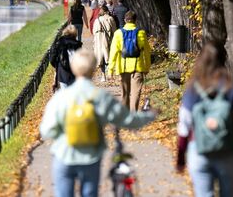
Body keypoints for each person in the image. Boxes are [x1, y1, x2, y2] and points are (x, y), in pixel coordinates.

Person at [40, 49, 156, 197]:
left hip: (64, 155)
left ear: (73, 68)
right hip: (91, 157)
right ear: (93, 69)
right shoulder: (100, 97)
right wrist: (149, 116)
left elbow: (46, 131)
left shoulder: (61, 97)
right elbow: (128, 120)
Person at [175, 42, 233, 197]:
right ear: (224, 59)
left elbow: (184, 127)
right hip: (228, 150)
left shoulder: (193, 88)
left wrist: (180, 159)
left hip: (199, 150)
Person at [107, 11, 151, 111]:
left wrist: (110, 70)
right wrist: (147, 67)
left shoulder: (118, 33)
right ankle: (133, 115)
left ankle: (125, 117)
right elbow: (147, 52)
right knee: (136, 93)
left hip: (123, 68)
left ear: (125, 20)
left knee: (125, 94)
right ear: (135, 20)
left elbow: (113, 52)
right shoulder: (141, 33)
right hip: (138, 67)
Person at [50, 25, 83, 89]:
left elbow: (52, 59)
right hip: (75, 71)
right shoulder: (78, 44)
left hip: (62, 72)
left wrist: (58, 65)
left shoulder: (59, 43)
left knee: (64, 93)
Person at [92, 5, 117, 82]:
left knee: (100, 59)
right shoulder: (110, 19)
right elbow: (114, 30)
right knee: (108, 57)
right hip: (108, 40)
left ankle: (103, 76)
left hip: (98, 42)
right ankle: (110, 74)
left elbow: (93, 32)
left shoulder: (97, 20)